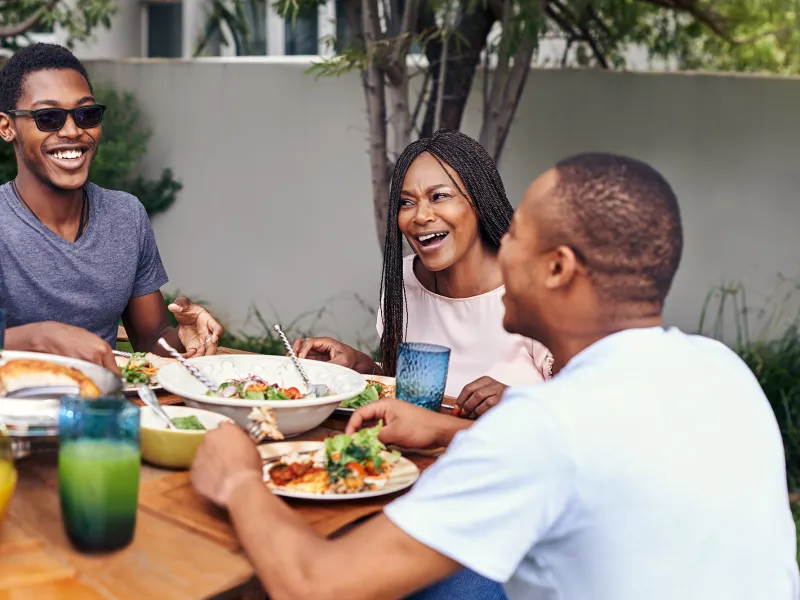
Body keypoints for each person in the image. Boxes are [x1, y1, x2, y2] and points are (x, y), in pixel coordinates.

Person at [190, 152, 799, 600]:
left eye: (515, 235)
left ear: (557, 267)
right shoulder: (724, 371)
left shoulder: (546, 427)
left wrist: (240, 478)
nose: (499, 248)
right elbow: (599, 461)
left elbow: (317, 587)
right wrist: (445, 433)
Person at [293, 129, 552, 418]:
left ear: (480, 201)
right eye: (406, 202)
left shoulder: (538, 289)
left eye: (439, 196)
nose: (420, 215)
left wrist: (519, 400)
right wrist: (360, 366)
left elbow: (588, 407)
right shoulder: (404, 280)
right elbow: (415, 395)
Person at [0, 43, 222, 371]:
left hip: (101, 413)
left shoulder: (125, 215)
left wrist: (184, 336)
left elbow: (151, 342)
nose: (73, 130)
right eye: (48, 117)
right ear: (7, 127)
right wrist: (40, 337)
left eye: (86, 114)